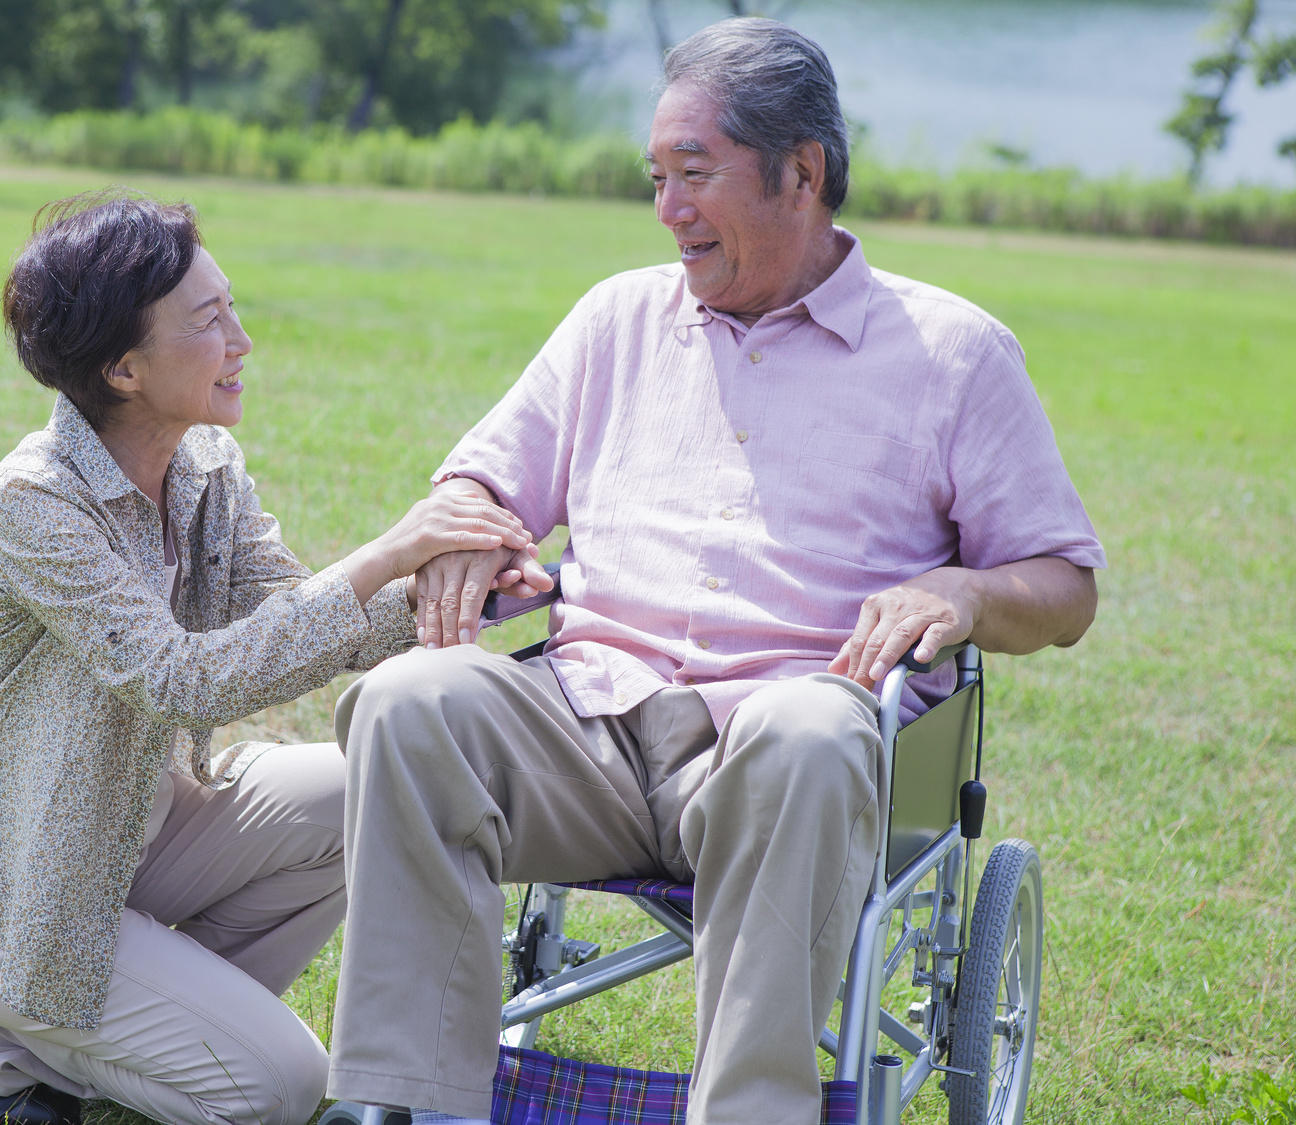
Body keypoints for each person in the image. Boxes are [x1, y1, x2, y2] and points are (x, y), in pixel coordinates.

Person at [327, 17, 1105, 1125]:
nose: (666, 210)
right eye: (654, 177)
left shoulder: (952, 355)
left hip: (784, 748)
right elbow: (483, 482)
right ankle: (407, 1105)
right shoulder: (615, 319)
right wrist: (468, 526)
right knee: (408, 702)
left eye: (694, 175)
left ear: (802, 173)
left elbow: (1064, 584)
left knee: (805, 730)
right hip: (587, 726)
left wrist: (965, 591)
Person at [0, 191, 534, 1125]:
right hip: (3, 888)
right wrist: (390, 549)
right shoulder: (31, 503)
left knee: (377, 790)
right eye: (209, 319)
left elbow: (292, 619)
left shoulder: (206, 466)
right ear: (123, 368)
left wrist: (472, 591)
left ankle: (58, 1025)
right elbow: (187, 677)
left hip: (134, 838)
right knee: (283, 1087)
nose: (243, 339)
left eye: (231, 307)